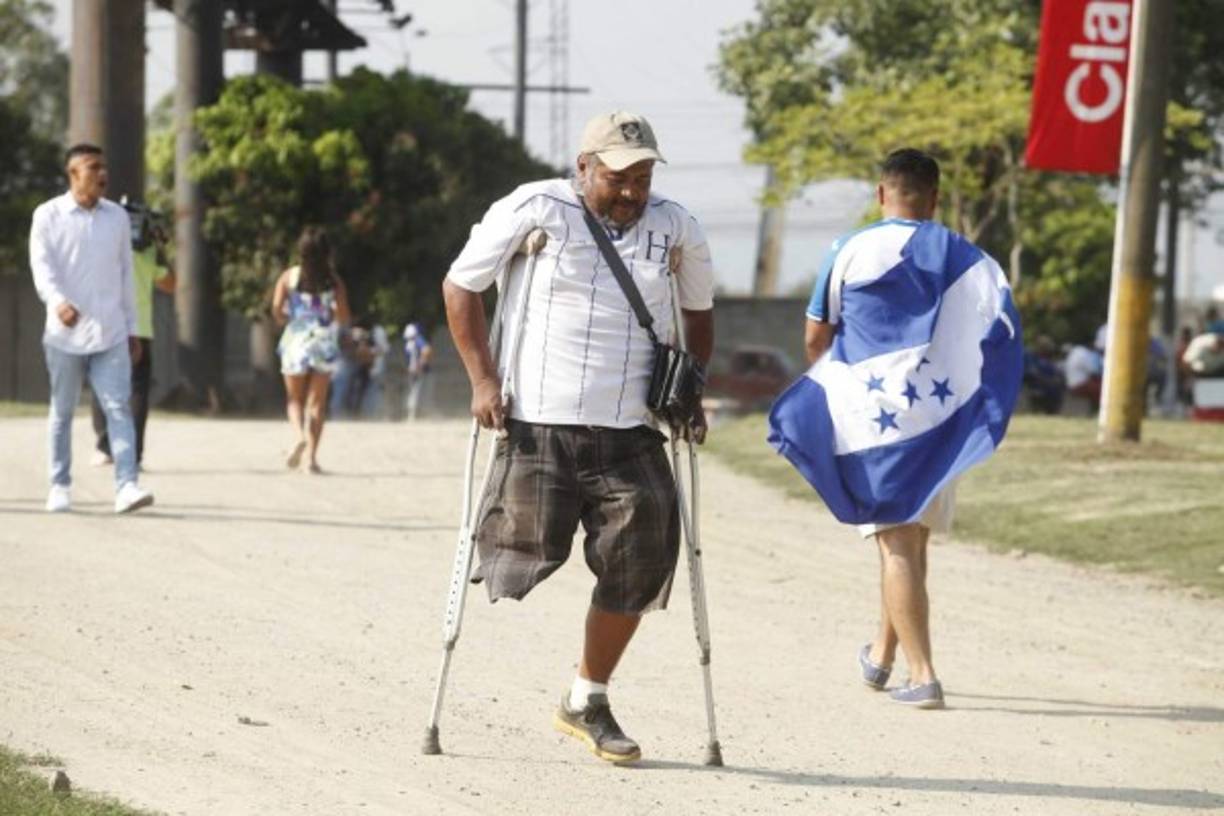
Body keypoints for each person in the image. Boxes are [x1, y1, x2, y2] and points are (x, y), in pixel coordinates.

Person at [442, 111, 714, 763]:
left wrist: (689, 392)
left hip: (630, 428)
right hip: (539, 423)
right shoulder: (536, 208)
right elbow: (461, 287)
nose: (631, 192)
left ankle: (587, 696)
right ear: (584, 166)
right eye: (618, 178)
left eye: (642, 178)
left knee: (644, 555)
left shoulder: (676, 227)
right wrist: (483, 380)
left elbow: (698, 314)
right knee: (521, 552)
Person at [784, 148, 1022, 710]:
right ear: (935, 198)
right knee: (910, 542)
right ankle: (882, 655)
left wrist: (834, 392)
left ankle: (923, 675)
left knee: (896, 546)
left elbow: (816, 337)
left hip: (877, 423)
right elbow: (1000, 333)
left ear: (880, 192)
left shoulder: (850, 249)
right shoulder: (969, 256)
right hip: (941, 421)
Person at [28, 143, 154, 514]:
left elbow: (126, 274)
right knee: (63, 410)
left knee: (119, 408)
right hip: (63, 334)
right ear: (73, 174)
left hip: (110, 332)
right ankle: (59, 485)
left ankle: (127, 485)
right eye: (93, 167)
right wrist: (57, 301)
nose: (102, 174)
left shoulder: (117, 218)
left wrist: (132, 328)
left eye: (104, 167)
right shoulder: (48, 215)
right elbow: (42, 266)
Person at [90, 207, 175, 468]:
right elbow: (170, 284)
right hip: (140, 329)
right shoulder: (148, 253)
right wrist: (160, 250)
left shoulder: (105, 248)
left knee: (102, 385)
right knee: (137, 391)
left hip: (107, 327)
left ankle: (105, 447)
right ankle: (132, 455)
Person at [271, 226, 350, 473]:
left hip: (296, 341)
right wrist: (330, 314)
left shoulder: (289, 277)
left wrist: (290, 318)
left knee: (294, 400)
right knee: (317, 404)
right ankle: (311, 460)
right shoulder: (333, 281)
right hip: (323, 342)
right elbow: (344, 316)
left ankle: (298, 436)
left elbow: (276, 310)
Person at [401, 322, 433, 420]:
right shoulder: (414, 341)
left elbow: (426, 350)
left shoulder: (416, 341)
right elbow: (426, 350)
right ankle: (414, 416)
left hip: (419, 372)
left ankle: (415, 416)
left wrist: (420, 365)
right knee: (415, 393)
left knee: (416, 393)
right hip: (416, 372)